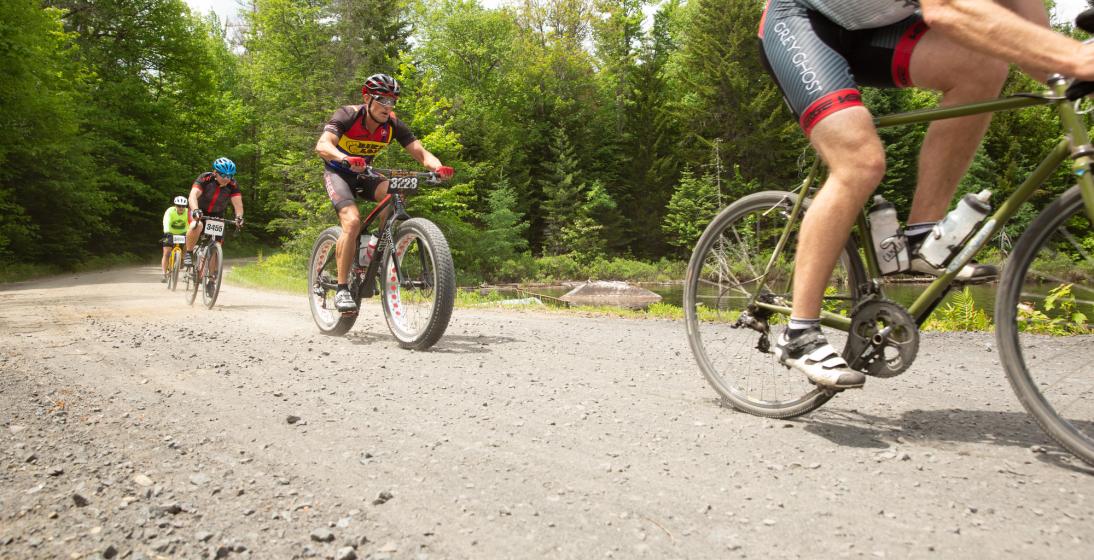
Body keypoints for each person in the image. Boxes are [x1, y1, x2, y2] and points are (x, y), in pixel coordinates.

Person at [757, 0, 1094, 389]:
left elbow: (1044, 58)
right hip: (801, 20)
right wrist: (1077, 57)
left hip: (873, 30)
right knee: (859, 162)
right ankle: (799, 333)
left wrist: (1072, 72)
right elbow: (946, 9)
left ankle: (920, 237)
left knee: (982, 67)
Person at [314, 73, 454, 312]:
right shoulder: (348, 115)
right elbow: (323, 145)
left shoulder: (392, 125)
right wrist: (345, 158)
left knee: (394, 193)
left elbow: (421, 153)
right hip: (339, 173)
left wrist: (438, 167)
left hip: (365, 173)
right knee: (352, 222)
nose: (388, 106)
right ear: (367, 98)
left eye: (393, 101)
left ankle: (376, 245)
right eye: (382, 99)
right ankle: (342, 288)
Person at [183, 157, 244, 269]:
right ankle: (189, 252)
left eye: (230, 176)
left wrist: (239, 217)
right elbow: (193, 195)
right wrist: (196, 210)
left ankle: (211, 279)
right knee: (197, 225)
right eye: (224, 175)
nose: (227, 179)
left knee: (216, 245)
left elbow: (238, 204)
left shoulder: (233, 184)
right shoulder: (205, 178)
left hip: (217, 214)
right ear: (215, 172)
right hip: (198, 209)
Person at [160, 196, 189, 281]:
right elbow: (166, 221)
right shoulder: (170, 211)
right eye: (179, 206)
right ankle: (164, 274)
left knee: (188, 242)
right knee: (166, 253)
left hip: (183, 232)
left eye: (183, 206)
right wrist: (167, 232)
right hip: (170, 232)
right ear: (175, 205)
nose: (181, 208)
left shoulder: (188, 212)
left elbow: (190, 223)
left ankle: (182, 258)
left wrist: (189, 232)